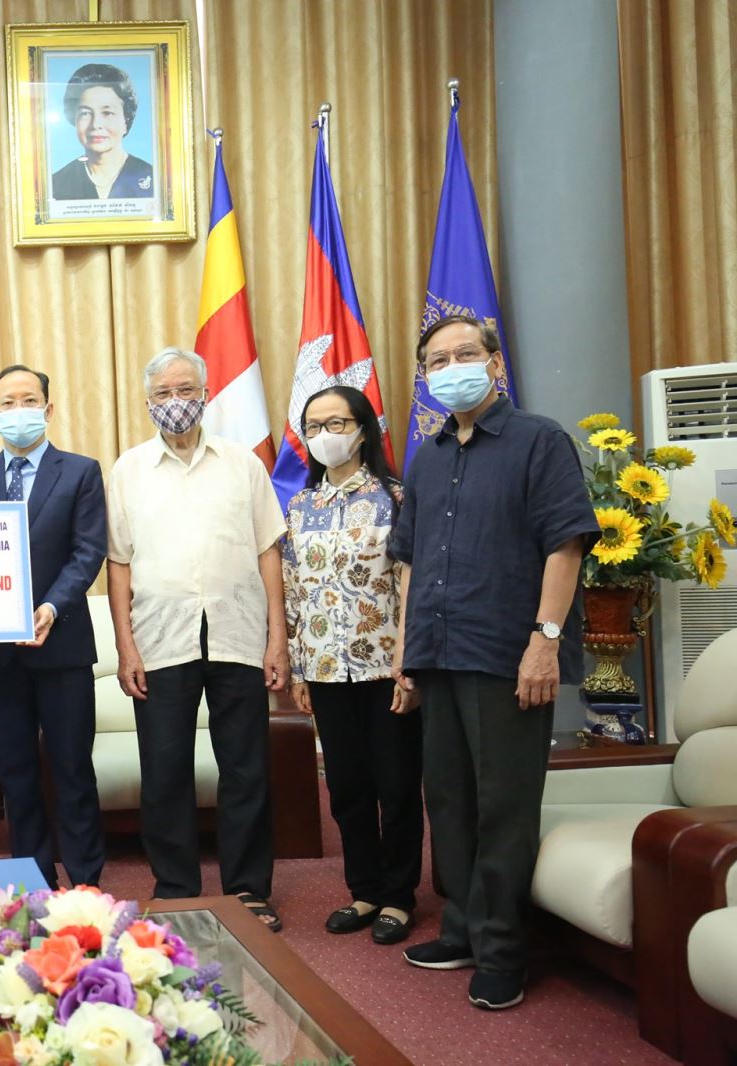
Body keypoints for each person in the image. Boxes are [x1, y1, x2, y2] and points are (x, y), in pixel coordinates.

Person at [391, 315, 598, 1010]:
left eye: (465, 354)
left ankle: (505, 950)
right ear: (425, 377)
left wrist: (545, 639)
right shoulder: (427, 457)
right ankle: (462, 930)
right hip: (437, 652)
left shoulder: (539, 440)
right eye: (437, 360)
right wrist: (405, 654)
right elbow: (411, 561)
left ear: (494, 363)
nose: (452, 368)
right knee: (449, 801)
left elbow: (565, 544)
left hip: (507, 653)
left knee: (503, 807)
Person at [106, 347, 289, 929]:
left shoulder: (243, 465)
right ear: (147, 403)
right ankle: (176, 889)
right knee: (164, 771)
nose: (176, 401)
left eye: (186, 389)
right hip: (161, 640)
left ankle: (247, 890)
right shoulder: (129, 470)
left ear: (206, 394)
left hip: (239, 633)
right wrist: (126, 647)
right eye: (163, 393)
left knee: (245, 767)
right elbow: (118, 563)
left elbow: (268, 551)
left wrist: (278, 638)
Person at [0, 365, 107, 888]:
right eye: (8, 402)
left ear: (48, 408)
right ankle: (32, 882)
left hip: (62, 644)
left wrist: (50, 607)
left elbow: (88, 552)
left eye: (29, 400)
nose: (19, 410)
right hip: (0, 652)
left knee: (72, 768)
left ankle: (86, 881)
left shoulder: (81, 471)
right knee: (16, 772)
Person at [282, 385, 421, 946]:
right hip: (324, 667)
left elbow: (410, 582)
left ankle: (400, 896)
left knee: (397, 784)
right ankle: (364, 890)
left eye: (336, 423)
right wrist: (298, 669)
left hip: (385, 667)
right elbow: (293, 591)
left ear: (363, 430)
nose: (325, 435)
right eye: (314, 426)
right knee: (345, 786)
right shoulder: (300, 506)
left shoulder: (395, 497)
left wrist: (409, 663)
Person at [50, 63, 155, 201]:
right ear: (74, 119)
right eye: (85, 113)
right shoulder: (55, 184)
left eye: (107, 113)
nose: (96, 125)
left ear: (126, 120)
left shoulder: (153, 179)